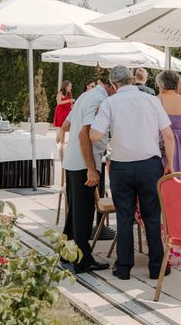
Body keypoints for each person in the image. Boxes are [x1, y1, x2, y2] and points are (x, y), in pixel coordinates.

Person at [90, 66, 175, 281]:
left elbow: (94, 135)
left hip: (121, 165)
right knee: (152, 218)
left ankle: (124, 267)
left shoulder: (109, 102)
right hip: (149, 164)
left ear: (114, 84)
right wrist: (170, 163)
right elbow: (168, 134)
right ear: (131, 80)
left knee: (124, 217)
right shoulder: (152, 100)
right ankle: (157, 267)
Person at [60, 75, 114, 274]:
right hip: (84, 162)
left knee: (75, 212)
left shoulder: (86, 95)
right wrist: (92, 168)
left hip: (74, 160)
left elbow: (69, 124)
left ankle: (66, 253)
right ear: (111, 86)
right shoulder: (99, 99)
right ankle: (83, 260)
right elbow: (85, 133)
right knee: (83, 214)